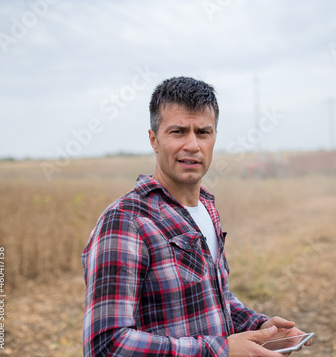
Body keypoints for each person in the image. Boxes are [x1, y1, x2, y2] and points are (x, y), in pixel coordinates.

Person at [81, 76, 312, 356]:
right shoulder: (126, 220)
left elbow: (211, 298)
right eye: (178, 132)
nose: (192, 145)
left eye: (203, 132)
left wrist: (262, 329)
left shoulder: (205, 207)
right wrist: (221, 350)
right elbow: (105, 345)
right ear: (154, 140)